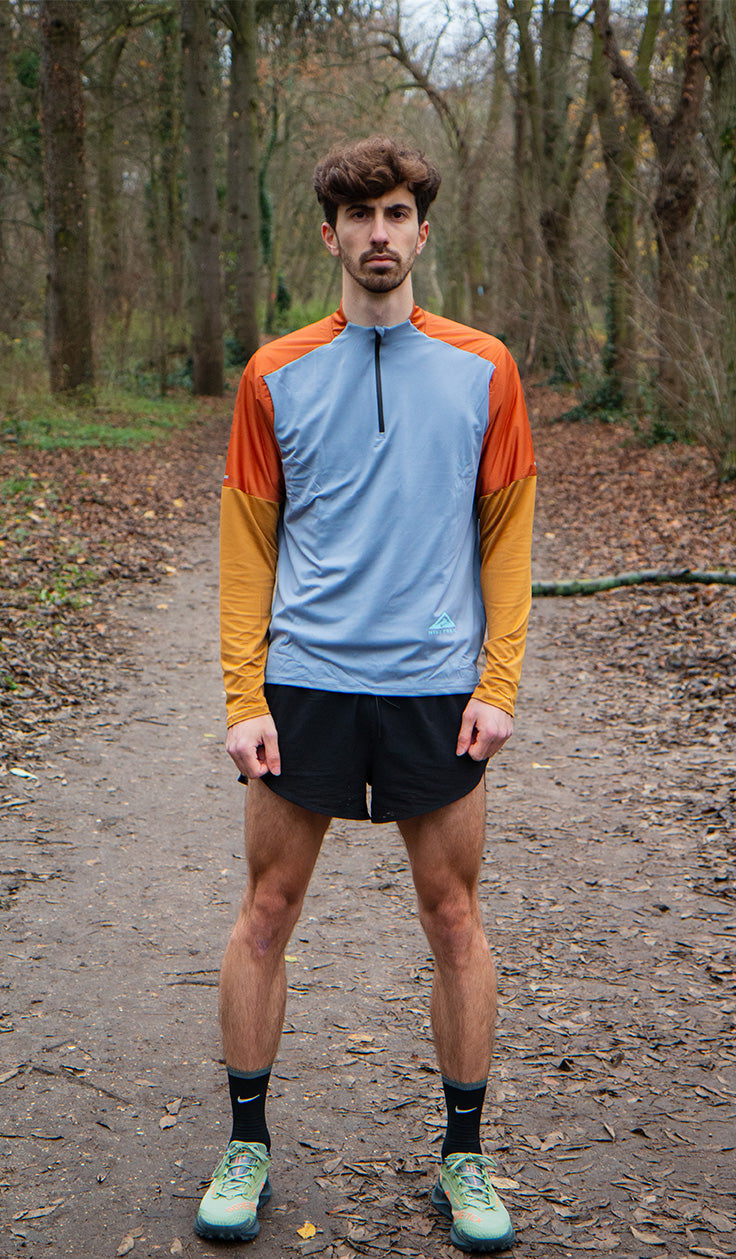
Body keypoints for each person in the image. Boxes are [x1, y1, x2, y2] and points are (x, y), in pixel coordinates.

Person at [194, 135, 536, 1254]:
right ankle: (245, 1142)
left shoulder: (483, 366)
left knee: (453, 918)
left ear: (421, 231)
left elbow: (506, 534)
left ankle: (464, 1155)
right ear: (331, 234)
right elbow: (248, 545)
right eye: (360, 217)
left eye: (396, 214)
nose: (379, 234)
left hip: (438, 687)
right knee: (265, 912)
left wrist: (499, 680)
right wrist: (245, 691)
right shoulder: (273, 370)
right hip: (306, 685)